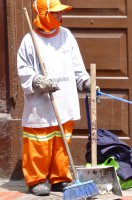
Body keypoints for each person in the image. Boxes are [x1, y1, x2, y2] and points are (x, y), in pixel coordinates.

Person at [17, 0, 92, 196]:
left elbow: (77, 66)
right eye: (55, 13)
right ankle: (36, 180)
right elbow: (23, 70)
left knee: (61, 143)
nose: (60, 16)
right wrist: (37, 81)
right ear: (43, 15)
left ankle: (60, 178)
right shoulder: (29, 40)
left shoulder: (66, 36)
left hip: (64, 101)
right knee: (38, 143)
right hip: (40, 105)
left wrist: (85, 82)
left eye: (60, 13)